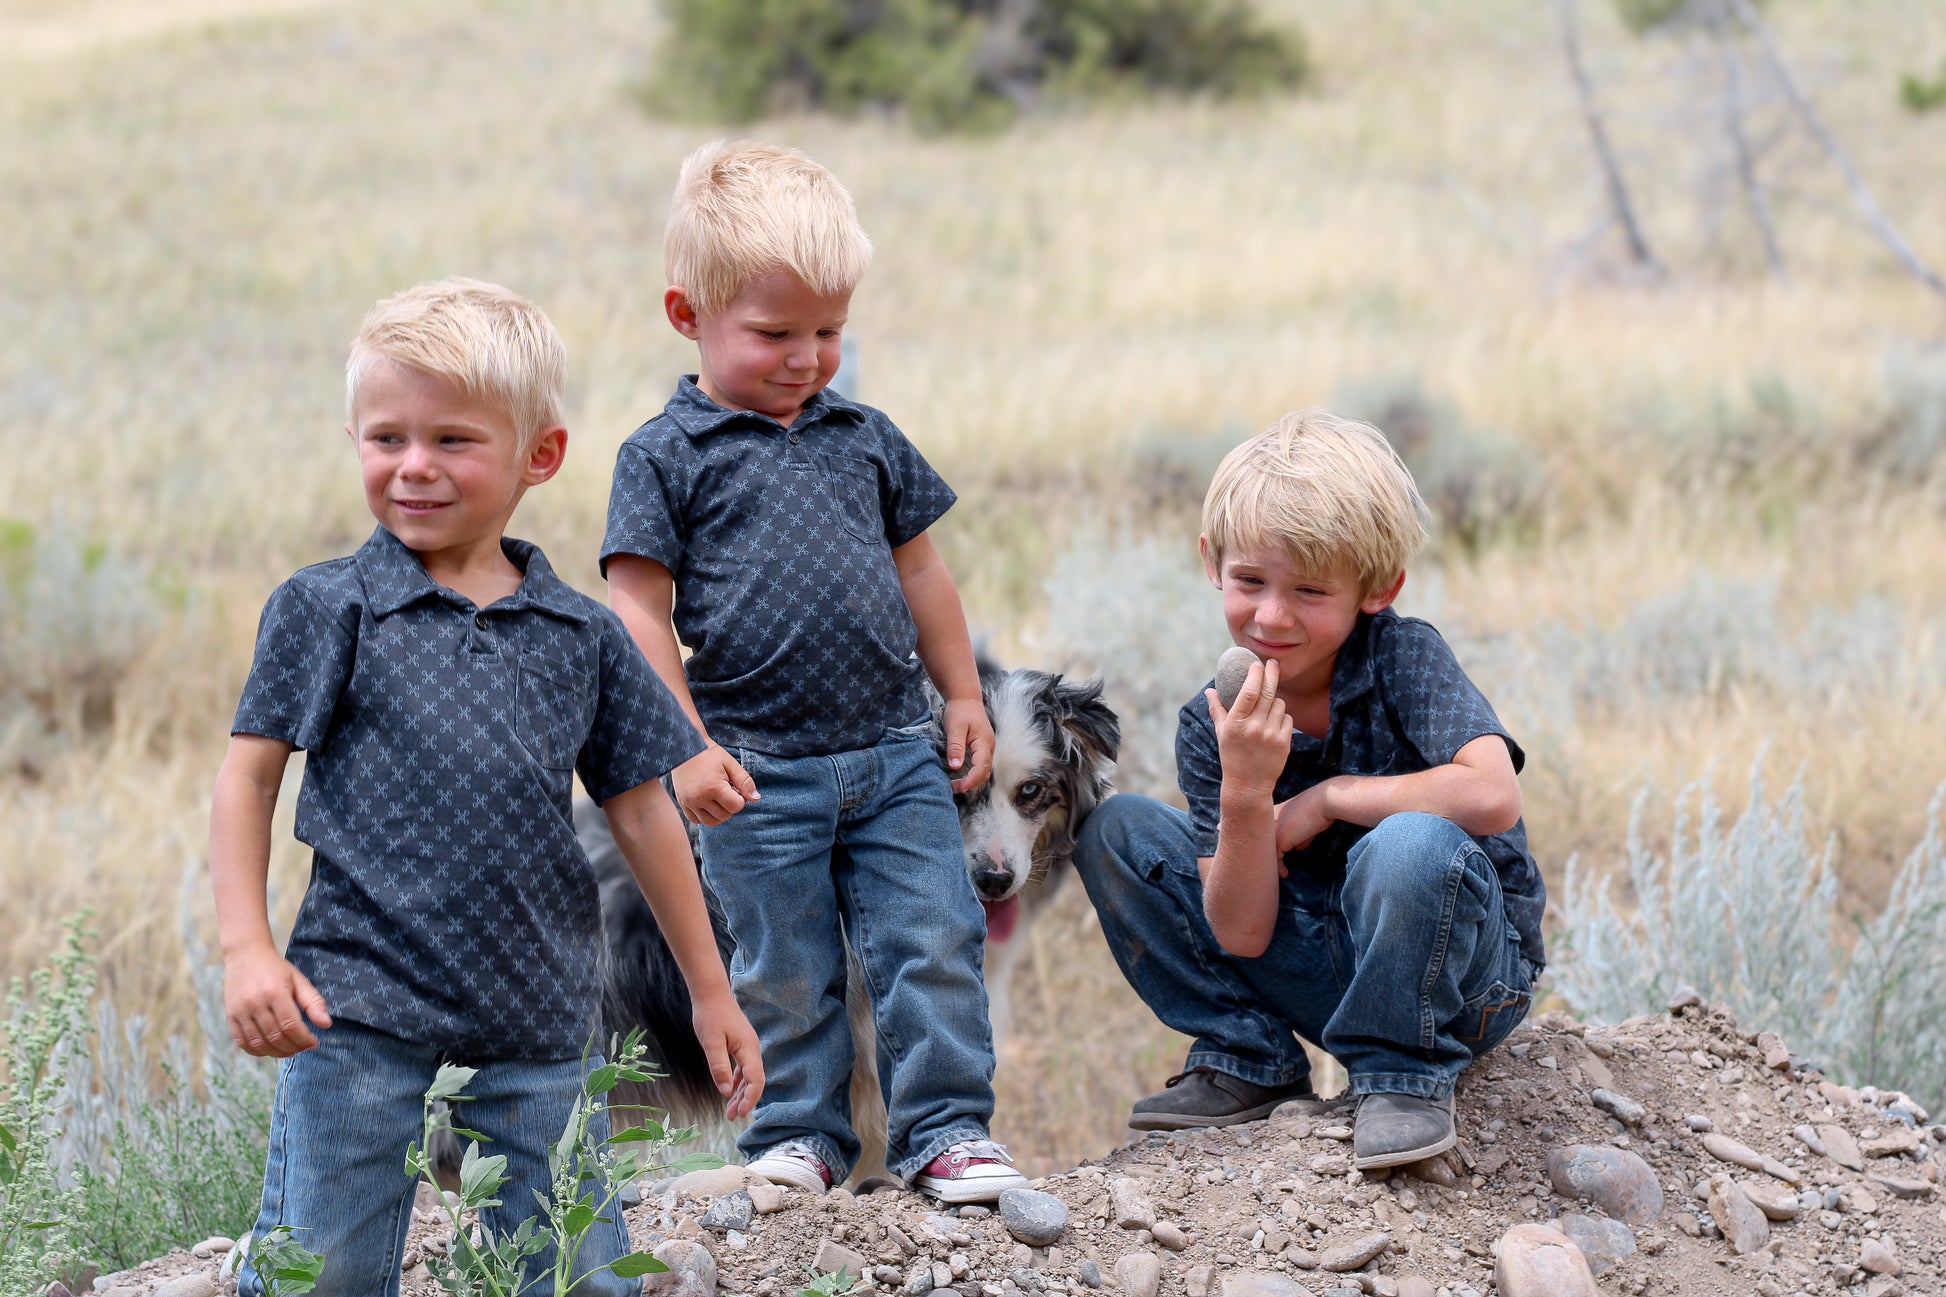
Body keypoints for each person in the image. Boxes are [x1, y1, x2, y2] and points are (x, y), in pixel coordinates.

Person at [210, 278, 761, 1295]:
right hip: (356, 1005)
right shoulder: (327, 607)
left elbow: (642, 811)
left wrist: (709, 986)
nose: (413, 466)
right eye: (385, 439)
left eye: (453, 440)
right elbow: (247, 778)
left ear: (537, 456)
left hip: (541, 1016)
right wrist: (248, 949)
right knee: (318, 1274)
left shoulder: (580, 635)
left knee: (575, 1272)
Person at [601, 140, 1025, 1203]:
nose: (806, 357)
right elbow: (636, 611)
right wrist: (682, 746)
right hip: (752, 769)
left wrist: (963, 694)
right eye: (774, 333)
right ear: (685, 313)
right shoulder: (664, 456)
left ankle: (946, 1132)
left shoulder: (866, 437)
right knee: (780, 964)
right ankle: (797, 1138)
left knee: (930, 937)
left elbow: (921, 571)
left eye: (829, 331)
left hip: (894, 752)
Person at [1072, 408, 1546, 1170]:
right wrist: (1247, 798)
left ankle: (1403, 1075)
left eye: (1310, 591)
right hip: (1322, 966)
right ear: (1210, 561)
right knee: (1117, 830)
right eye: (1250, 580)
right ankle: (1249, 1056)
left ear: (1378, 587)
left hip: (1461, 983)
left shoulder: (1403, 658)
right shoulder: (1213, 721)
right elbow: (1242, 934)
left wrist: (1325, 800)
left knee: (1410, 843)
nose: (1271, 615)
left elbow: (1491, 794)